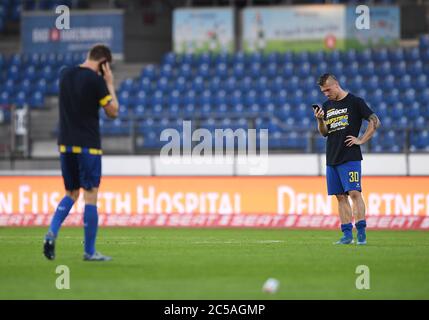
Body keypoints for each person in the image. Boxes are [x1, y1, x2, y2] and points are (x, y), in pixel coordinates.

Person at [43, 44, 119, 261]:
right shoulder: (96, 81)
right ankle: (90, 251)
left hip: (65, 144)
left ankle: (51, 233)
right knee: (90, 195)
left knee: (71, 193)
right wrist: (110, 84)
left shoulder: (65, 74)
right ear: (104, 64)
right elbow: (113, 112)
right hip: (88, 145)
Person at [314, 73, 381, 245]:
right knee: (340, 196)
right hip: (332, 157)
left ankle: (361, 233)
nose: (326, 94)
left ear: (336, 84)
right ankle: (346, 235)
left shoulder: (355, 102)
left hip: (350, 156)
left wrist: (361, 140)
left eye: (328, 90)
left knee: (354, 193)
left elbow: (375, 121)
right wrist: (320, 120)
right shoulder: (327, 106)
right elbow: (324, 133)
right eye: (323, 91)